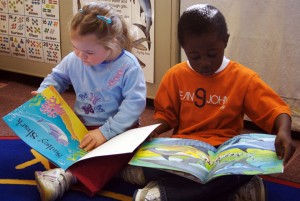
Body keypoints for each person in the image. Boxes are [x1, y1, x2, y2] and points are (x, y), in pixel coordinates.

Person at [120, 4, 296, 201]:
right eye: (194, 56)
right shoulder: (175, 76)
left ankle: (165, 193)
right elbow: (166, 116)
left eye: (212, 54)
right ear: (184, 48)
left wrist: (283, 131)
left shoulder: (244, 79)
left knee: (231, 172)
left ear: (225, 41)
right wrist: (154, 130)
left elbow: (275, 110)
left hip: (225, 155)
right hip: (184, 152)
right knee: (156, 164)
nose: (205, 62)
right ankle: (240, 190)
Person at [31, 2, 146, 201]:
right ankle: (117, 170)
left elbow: (134, 105)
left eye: (89, 53)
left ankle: (68, 177)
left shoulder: (128, 66)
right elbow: (56, 78)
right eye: (76, 48)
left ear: (112, 44)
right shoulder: (75, 59)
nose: (80, 56)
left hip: (118, 129)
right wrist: (44, 93)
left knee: (116, 151)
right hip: (82, 126)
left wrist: (105, 132)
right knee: (51, 142)